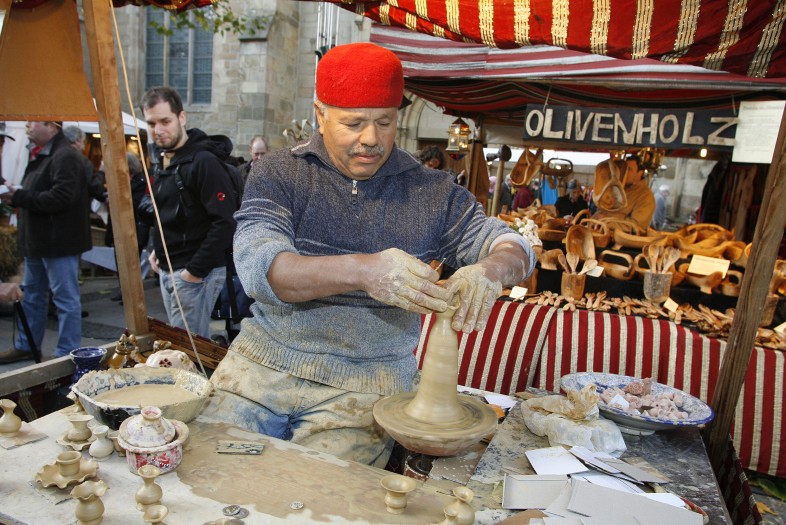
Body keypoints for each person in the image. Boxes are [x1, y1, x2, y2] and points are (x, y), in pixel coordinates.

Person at [202, 42, 535, 467]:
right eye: (354, 123)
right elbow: (261, 269)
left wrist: (491, 270)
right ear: (320, 114)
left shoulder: (431, 192)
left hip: (369, 384)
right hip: (261, 366)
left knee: (321, 495)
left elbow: (514, 247)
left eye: (385, 121)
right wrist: (364, 270)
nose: (371, 139)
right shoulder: (279, 172)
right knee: (208, 472)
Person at [140, 86, 242, 339]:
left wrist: (193, 273)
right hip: (169, 269)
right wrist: (158, 249)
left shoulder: (204, 162)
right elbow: (171, 212)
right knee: (182, 346)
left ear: (182, 118)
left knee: (187, 350)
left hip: (195, 274)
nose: (158, 130)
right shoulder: (163, 159)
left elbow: (226, 222)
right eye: (151, 123)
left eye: (165, 121)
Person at [0, 121, 91, 363]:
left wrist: (20, 196)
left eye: (34, 122)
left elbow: (61, 197)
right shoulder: (44, 154)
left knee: (64, 298)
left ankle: (66, 353)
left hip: (58, 242)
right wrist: (17, 195)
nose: (28, 126)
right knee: (32, 296)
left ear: (51, 126)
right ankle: (27, 345)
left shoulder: (65, 156)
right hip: (40, 240)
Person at [62, 126, 107, 204]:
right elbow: (94, 187)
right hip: (76, 205)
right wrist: (101, 172)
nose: (83, 147)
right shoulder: (81, 161)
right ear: (77, 141)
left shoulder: (55, 156)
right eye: (83, 142)